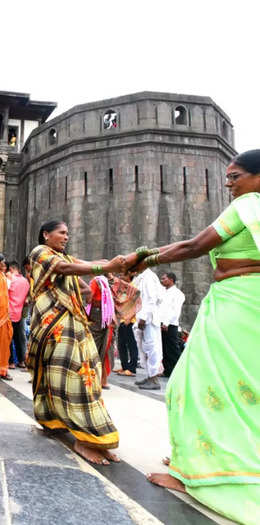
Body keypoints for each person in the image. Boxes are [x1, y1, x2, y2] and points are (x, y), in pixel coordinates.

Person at [137, 149, 260, 525]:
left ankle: (195, 473)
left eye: (235, 176)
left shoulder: (249, 206)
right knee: (245, 391)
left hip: (237, 305)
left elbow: (195, 246)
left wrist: (142, 258)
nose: (228, 183)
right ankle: (204, 462)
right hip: (248, 304)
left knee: (189, 385)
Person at [27, 220, 127, 465]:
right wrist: (104, 267)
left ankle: (72, 428)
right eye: (61, 233)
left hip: (71, 322)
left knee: (85, 374)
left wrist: (115, 264)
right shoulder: (40, 252)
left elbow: (82, 282)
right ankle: (84, 438)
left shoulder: (66, 258)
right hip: (54, 326)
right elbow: (65, 268)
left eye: (68, 233)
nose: (66, 237)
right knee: (72, 377)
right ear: (46, 234)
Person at [132, 268, 165, 390]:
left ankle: (154, 379)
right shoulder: (142, 277)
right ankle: (150, 376)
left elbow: (151, 299)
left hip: (149, 318)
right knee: (145, 348)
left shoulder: (149, 277)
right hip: (143, 316)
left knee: (152, 348)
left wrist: (144, 318)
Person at [86, 276, 116, 388]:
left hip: (97, 315)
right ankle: (103, 380)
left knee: (94, 346)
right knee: (105, 347)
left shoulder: (95, 281)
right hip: (108, 316)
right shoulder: (110, 283)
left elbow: (88, 299)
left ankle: (94, 378)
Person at [111, 274, 141, 377]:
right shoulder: (123, 288)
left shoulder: (133, 288)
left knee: (131, 344)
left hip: (130, 320)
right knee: (121, 344)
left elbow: (137, 304)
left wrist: (130, 317)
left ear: (129, 276)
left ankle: (132, 368)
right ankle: (124, 366)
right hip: (123, 320)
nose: (120, 277)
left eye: (123, 275)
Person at [158, 272, 185, 377]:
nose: (162, 280)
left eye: (164, 278)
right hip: (161, 323)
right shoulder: (163, 292)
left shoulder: (178, 294)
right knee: (164, 349)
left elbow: (175, 311)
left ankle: (179, 372)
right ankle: (168, 370)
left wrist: (166, 322)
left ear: (171, 280)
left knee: (172, 349)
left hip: (170, 324)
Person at [7, 260, 29, 370]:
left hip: (9, 313)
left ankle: (10, 362)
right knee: (19, 338)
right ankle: (21, 361)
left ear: (10, 269)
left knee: (9, 339)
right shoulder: (25, 281)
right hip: (20, 313)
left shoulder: (10, 280)